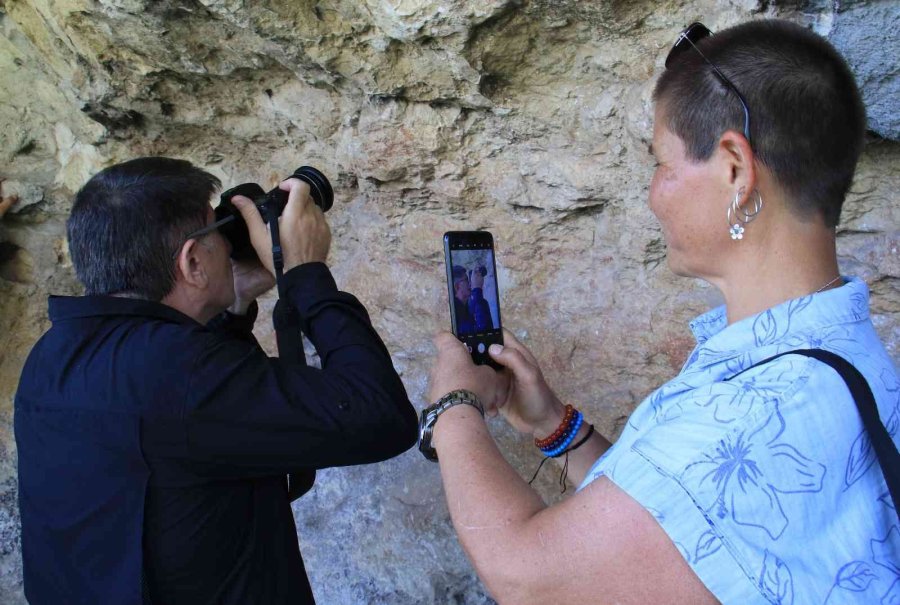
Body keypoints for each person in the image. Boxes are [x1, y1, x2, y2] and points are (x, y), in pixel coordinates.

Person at [422, 19, 898, 604]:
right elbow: (677, 518)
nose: (654, 193)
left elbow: (526, 577)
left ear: (735, 170)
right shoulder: (828, 359)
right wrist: (553, 426)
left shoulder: (755, 411)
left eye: (662, 165)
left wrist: (451, 406)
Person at [14, 157, 418, 605]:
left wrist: (232, 300)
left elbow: (193, 428)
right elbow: (380, 415)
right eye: (215, 234)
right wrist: (305, 275)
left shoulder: (53, 355)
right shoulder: (180, 374)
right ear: (191, 261)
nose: (227, 246)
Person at [452, 264, 492, 335]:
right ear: (457, 286)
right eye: (467, 280)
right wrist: (477, 289)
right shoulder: (455, 315)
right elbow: (484, 332)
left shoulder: (469, 305)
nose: (470, 283)